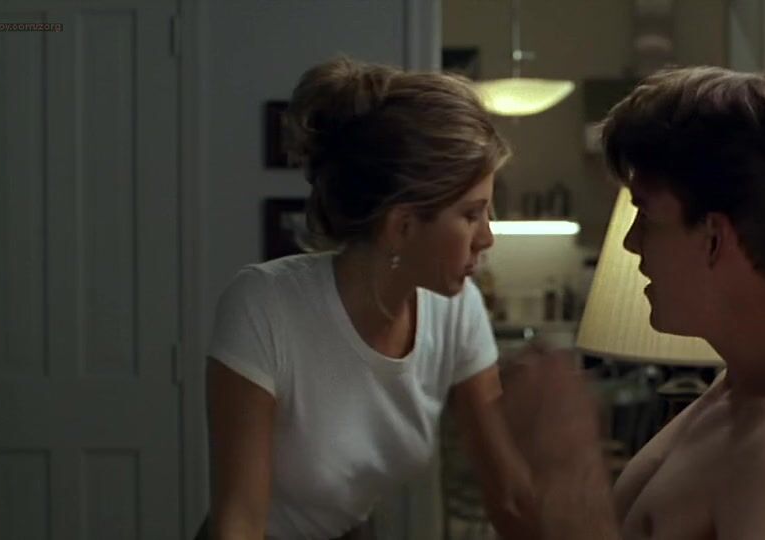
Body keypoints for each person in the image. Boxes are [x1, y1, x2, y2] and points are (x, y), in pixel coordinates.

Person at [500, 66, 765, 539]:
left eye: (646, 216)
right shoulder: (738, 389)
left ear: (714, 238)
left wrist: (567, 475)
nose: (632, 242)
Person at [206, 57, 534, 539]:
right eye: (471, 215)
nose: (487, 238)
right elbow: (240, 520)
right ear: (402, 227)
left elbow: (506, 490)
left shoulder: (457, 308)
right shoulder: (265, 306)